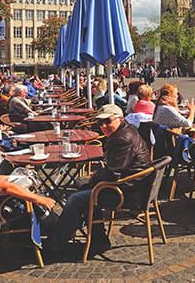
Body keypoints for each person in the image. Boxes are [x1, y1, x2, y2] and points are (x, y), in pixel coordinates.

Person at [46, 104, 150, 259]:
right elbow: (114, 169)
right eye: (100, 123)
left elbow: (113, 172)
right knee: (82, 188)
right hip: (128, 185)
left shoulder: (123, 138)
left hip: (128, 192)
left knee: (77, 198)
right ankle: (98, 239)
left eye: (107, 121)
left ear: (120, 119)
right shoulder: (124, 131)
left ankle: (54, 245)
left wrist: (95, 177)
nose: (103, 126)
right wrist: (95, 177)